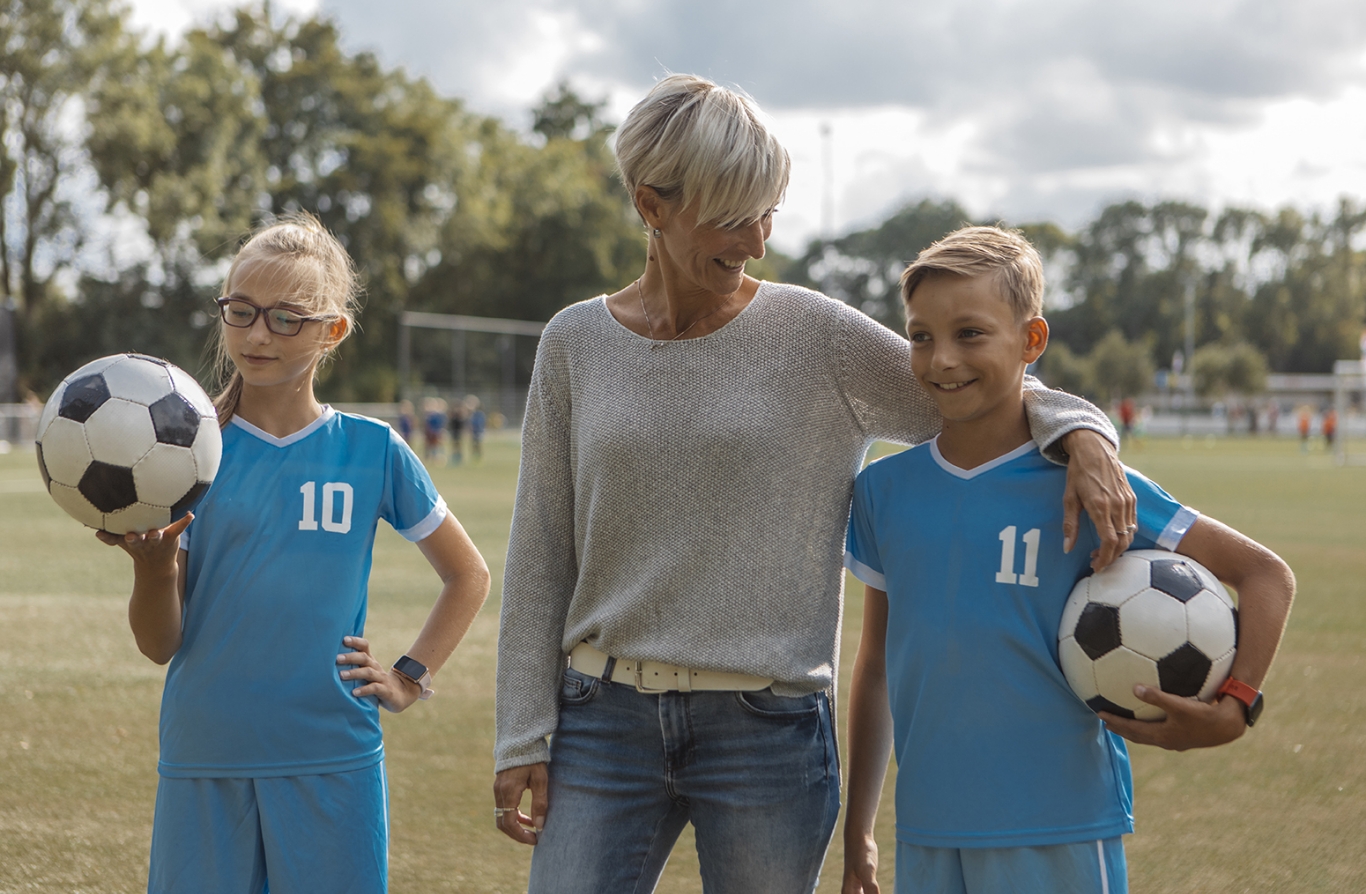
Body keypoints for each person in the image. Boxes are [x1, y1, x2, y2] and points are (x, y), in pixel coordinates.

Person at [493, 74, 1138, 893]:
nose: (757, 240)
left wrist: (1082, 429)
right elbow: (541, 549)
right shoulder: (574, 343)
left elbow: (987, 392)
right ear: (651, 205)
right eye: (732, 215)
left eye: (769, 211)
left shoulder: (815, 336)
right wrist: (523, 734)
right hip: (601, 717)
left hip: (766, 731)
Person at [840, 227, 1295, 894]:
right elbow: (877, 666)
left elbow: (1266, 577)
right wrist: (859, 833)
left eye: (970, 334)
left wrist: (1237, 704)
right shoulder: (883, 491)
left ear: (1031, 341)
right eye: (920, 336)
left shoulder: (1090, 486)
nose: (941, 359)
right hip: (930, 830)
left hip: (1061, 825)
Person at [98, 214, 491, 894]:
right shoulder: (188, 456)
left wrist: (408, 675)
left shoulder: (372, 451)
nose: (257, 335)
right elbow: (158, 644)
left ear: (331, 331)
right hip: (205, 752)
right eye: (242, 312)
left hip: (332, 756)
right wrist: (154, 568)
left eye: (286, 318)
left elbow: (468, 575)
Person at [447, 399, 466, 465]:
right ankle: (454, 456)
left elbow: (462, 425)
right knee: (454, 445)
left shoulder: (460, 417)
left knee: (458, 445)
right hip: (454, 433)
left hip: (458, 433)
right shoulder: (453, 417)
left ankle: (459, 456)